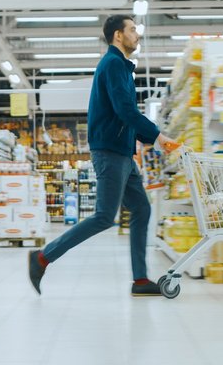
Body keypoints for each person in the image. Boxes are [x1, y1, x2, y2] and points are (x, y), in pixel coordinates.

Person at [28, 15, 178, 297]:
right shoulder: (111, 64)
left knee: (142, 208)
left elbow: (126, 115)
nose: (137, 34)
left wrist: (149, 140)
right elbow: (125, 110)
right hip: (110, 152)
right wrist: (157, 136)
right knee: (104, 216)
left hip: (122, 151)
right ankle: (42, 257)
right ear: (118, 36)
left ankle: (140, 280)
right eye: (133, 30)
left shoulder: (121, 67)